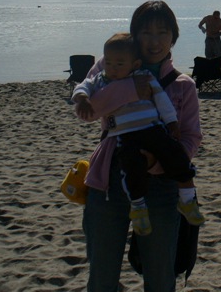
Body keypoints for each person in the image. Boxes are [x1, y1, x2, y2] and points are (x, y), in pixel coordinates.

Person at [82, 0, 202, 292]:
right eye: (146, 32)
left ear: (173, 37)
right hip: (108, 180)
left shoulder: (183, 84)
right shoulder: (109, 66)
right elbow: (87, 111)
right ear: (134, 35)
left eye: (163, 32)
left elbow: (191, 138)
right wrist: (130, 89)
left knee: (160, 276)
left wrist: (155, 162)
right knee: (102, 274)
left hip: (161, 188)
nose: (154, 41)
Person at [72, 32, 205, 236]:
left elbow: (162, 100)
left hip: (153, 128)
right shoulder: (101, 78)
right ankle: (138, 207)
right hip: (125, 135)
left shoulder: (145, 76)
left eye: (119, 64)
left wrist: (171, 122)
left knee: (175, 154)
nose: (113, 68)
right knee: (132, 167)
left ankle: (187, 199)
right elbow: (84, 88)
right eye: (109, 63)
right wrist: (82, 98)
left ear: (134, 63)